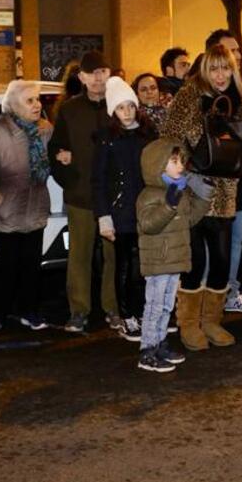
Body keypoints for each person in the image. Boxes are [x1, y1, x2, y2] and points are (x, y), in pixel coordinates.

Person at [161, 43, 242, 350]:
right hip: (194, 189)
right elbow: (169, 137)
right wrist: (180, 177)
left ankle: (211, 321)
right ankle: (188, 323)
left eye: (226, 68)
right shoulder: (189, 95)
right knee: (195, 262)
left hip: (225, 193)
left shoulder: (240, 101)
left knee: (222, 261)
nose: (221, 75)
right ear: (204, 70)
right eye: (214, 68)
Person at [0, 80, 54, 337]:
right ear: (13, 105)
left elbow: (54, 160)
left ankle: (29, 311)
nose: (37, 105)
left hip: (36, 210)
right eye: (30, 100)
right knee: (5, 269)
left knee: (32, 267)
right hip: (6, 213)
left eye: (37, 99)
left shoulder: (45, 130)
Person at [49, 51, 118, 333]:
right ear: (82, 78)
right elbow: (56, 149)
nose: (98, 78)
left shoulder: (120, 106)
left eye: (102, 71)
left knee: (114, 255)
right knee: (79, 255)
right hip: (81, 195)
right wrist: (66, 167)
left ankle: (114, 308)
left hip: (115, 196)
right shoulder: (69, 110)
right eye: (92, 73)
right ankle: (79, 311)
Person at [134, 139, 212, 373]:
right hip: (158, 259)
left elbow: (188, 221)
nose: (180, 166)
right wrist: (168, 205)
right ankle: (147, 351)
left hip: (173, 260)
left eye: (181, 161)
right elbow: (148, 224)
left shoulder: (177, 191)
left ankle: (160, 344)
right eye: (174, 161)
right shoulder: (150, 195)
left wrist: (203, 198)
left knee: (166, 305)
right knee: (154, 306)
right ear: (157, 164)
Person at [202, 29, 242, 317]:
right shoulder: (197, 92)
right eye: (229, 52)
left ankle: (231, 292)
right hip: (208, 183)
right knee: (210, 243)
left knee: (236, 239)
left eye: (237, 52)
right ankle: (203, 298)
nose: (236, 57)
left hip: (240, 179)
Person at [93, 76, 155, 341]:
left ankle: (142, 312)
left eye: (130, 105)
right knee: (124, 265)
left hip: (146, 209)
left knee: (144, 265)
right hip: (120, 211)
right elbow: (98, 180)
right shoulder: (107, 139)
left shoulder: (147, 133)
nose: (127, 112)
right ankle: (127, 315)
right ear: (112, 112)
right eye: (121, 107)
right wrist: (104, 216)